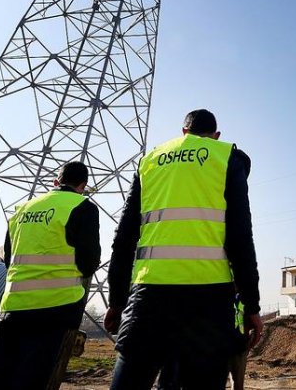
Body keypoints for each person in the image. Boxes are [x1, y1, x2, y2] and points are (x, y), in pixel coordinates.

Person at [105, 108, 262, 390]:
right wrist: (251, 304)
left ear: (183, 132)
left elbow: (125, 238)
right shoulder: (226, 157)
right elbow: (240, 237)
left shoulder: (150, 160)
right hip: (209, 300)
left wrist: (117, 300)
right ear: (216, 136)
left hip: (149, 295)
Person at [0, 161, 100, 390]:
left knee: (1, 378)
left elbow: (9, 259)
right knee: (31, 380)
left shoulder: (22, 209)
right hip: (55, 308)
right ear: (83, 186)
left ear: (55, 182)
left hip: (13, 307)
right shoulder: (83, 207)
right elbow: (88, 262)